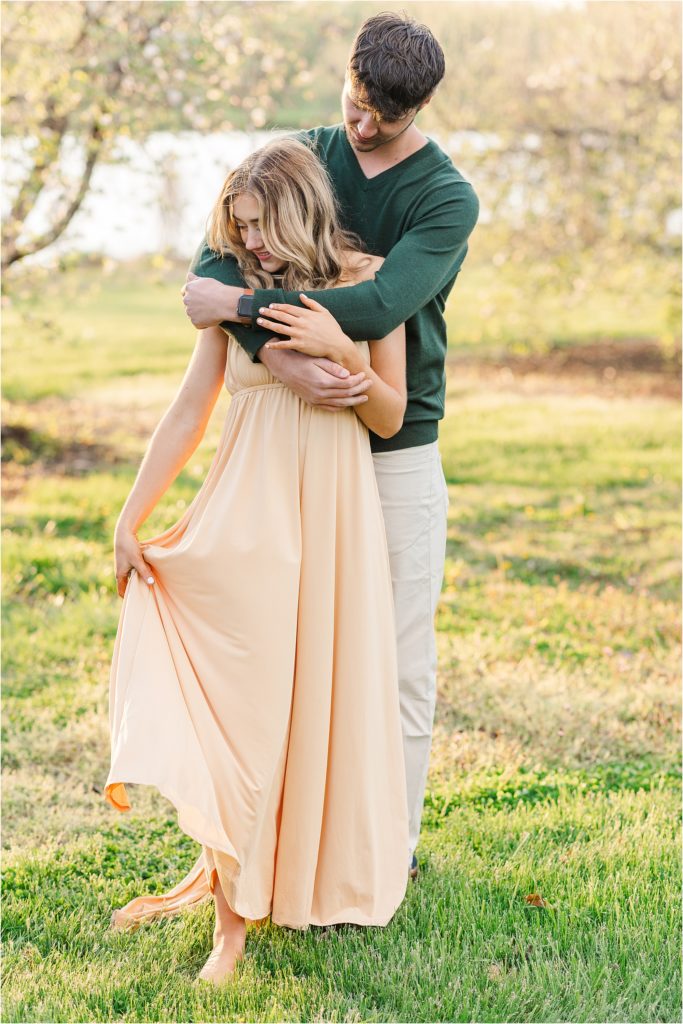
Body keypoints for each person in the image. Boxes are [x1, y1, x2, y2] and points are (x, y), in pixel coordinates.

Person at [104, 137, 409, 984]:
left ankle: (309, 883)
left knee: (317, 701)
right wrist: (133, 516)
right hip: (246, 521)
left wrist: (348, 358)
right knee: (242, 712)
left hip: (333, 525)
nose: (253, 244)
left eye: (262, 226)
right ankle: (229, 924)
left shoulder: (367, 281)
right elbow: (189, 409)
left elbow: (390, 414)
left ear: (300, 209)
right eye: (239, 229)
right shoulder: (233, 303)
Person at [182, 12, 480, 876]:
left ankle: (389, 850)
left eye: (378, 119)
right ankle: (300, 845)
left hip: (393, 449)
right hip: (298, 453)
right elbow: (215, 257)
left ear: (417, 105)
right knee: (302, 654)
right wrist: (275, 353)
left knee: (394, 667)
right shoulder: (308, 150)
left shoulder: (445, 197)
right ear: (347, 77)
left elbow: (377, 308)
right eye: (352, 103)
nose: (358, 127)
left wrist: (244, 316)